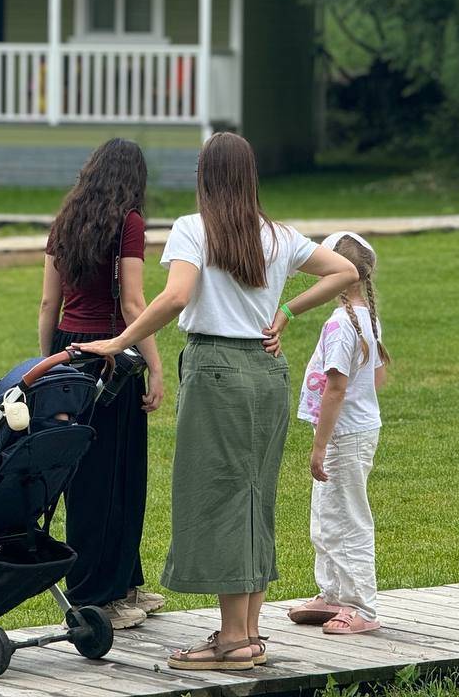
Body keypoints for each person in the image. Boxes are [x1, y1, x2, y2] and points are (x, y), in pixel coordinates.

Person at [74, 132, 358, 671]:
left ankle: (231, 641)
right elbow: (345, 270)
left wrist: (117, 340)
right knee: (253, 497)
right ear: (250, 177)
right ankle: (248, 633)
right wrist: (287, 314)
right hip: (267, 372)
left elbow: (177, 296)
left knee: (220, 496)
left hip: (217, 371)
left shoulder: (193, 229)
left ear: (205, 175)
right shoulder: (277, 235)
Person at [40, 138, 165, 631]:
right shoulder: (128, 223)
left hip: (70, 350)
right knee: (116, 476)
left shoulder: (65, 221)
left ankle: (125, 581)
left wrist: (49, 363)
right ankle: (99, 595)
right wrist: (155, 366)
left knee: (96, 476)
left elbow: (49, 305)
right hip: (112, 355)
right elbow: (135, 305)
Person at [287, 231, 390, 635]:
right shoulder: (366, 318)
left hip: (343, 436)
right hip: (354, 431)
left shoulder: (340, 324)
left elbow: (337, 387)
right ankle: (332, 594)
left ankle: (362, 605)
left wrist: (320, 444)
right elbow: (376, 381)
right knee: (327, 517)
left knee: (347, 519)